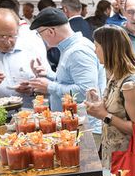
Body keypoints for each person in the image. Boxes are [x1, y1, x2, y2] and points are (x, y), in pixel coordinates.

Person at [85, 25, 135, 169]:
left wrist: (104, 115)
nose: (94, 51)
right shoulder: (115, 76)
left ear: (108, 49)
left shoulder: (130, 85)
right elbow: (120, 110)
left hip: (129, 159)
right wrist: (100, 103)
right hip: (117, 156)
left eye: (97, 46)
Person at [28, 8, 106, 136]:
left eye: (39, 33)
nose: (41, 38)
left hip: (85, 128)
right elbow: (70, 80)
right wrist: (48, 74)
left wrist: (49, 87)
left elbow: (85, 91)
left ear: (50, 31)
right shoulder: (71, 48)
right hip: (76, 125)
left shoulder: (78, 51)